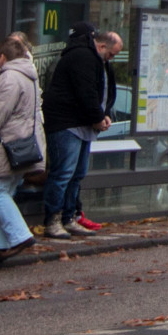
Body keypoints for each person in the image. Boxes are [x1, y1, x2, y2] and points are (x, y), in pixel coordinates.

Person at [0, 36, 46, 260]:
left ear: (2, 57)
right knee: (4, 191)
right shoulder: (29, 76)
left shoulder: (10, 78)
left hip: (5, 145)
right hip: (22, 147)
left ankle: (19, 235)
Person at [39, 22, 115, 239]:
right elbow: (86, 92)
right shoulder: (83, 58)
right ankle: (54, 219)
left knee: (76, 173)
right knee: (64, 173)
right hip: (68, 124)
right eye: (111, 54)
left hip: (81, 124)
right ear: (100, 46)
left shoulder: (94, 59)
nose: (111, 59)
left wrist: (102, 113)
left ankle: (68, 217)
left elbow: (101, 91)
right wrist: (98, 117)